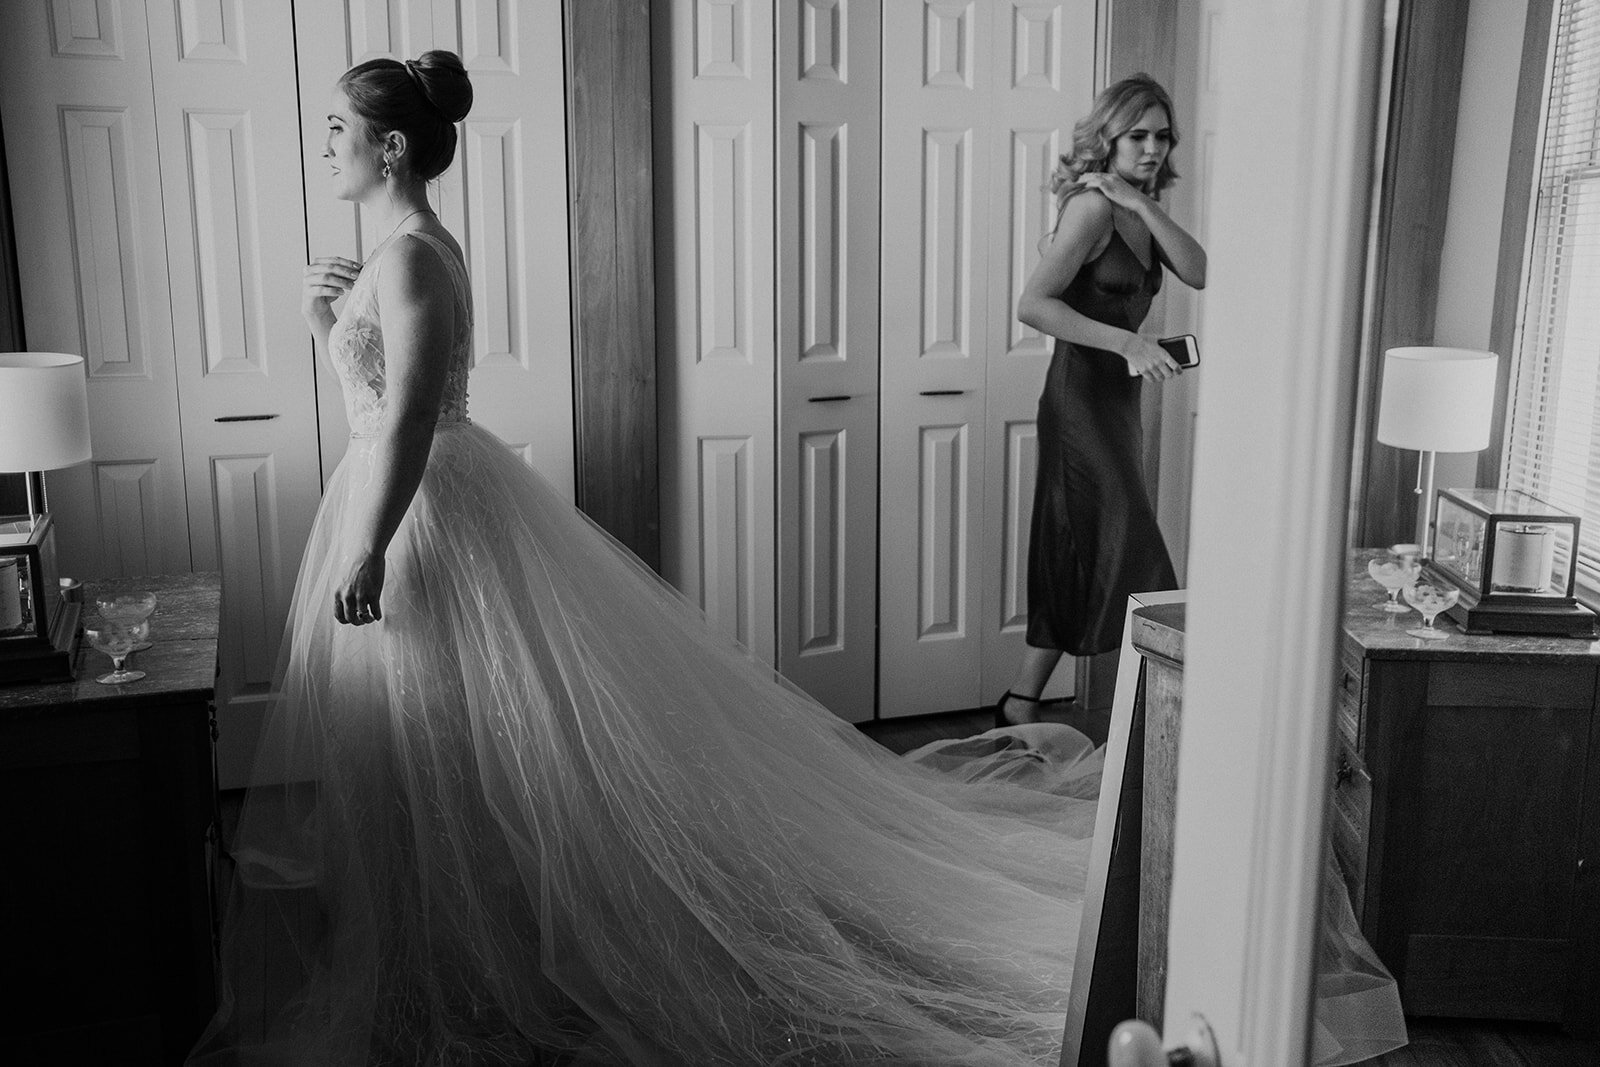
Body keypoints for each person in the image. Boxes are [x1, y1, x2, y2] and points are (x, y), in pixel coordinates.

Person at [190, 54, 1403, 1066]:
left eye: (338, 130)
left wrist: (365, 544)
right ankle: (443, 959)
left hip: (421, 510)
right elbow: (381, 392)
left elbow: (402, 417)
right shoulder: (417, 248)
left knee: (452, 750)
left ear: (391, 147)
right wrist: (318, 327)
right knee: (451, 750)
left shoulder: (407, 256)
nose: (327, 148)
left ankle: (445, 970)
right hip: (436, 497)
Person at [996, 74, 1206, 728]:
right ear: (1108, 138)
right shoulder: (1088, 210)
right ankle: (1170, 721)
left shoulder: (1134, 210)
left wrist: (1142, 206)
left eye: (1162, 136)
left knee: (1084, 547)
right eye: (1136, 135)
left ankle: (1019, 702)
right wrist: (1126, 342)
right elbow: (1033, 304)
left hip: (1118, 404)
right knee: (1135, 550)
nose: (1151, 148)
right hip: (1079, 399)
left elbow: (1200, 269)